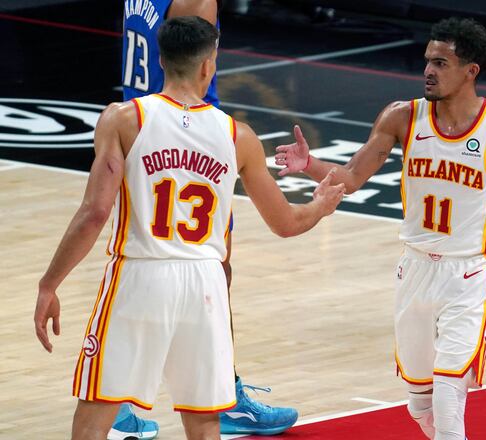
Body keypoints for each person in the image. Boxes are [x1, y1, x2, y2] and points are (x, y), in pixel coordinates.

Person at [34, 16, 344, 440]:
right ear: (208, 66)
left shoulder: (124, 119)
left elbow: (94, 213)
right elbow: (286, 224)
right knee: (203, 425)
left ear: (161, 60)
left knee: (94, 418)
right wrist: (321, 206)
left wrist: (49, 284)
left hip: (140, 275)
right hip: (206, 285)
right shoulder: (239, 137)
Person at [276, 17, 486, 440]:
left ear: (471, 71)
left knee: (449, 395)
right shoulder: (402, 116)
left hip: (470, 274)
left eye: (440, 63)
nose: (428, 71)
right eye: (427, 62)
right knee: (420, 403)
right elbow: (352, 177)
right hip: (414, 270)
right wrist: (309, 166)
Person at [121, 1, 299, 438]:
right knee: (212, 274)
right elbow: (194, 61)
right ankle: (223, 398)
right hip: (191, 132)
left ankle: (120, 402)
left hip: (140, 122)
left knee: (136, 264)